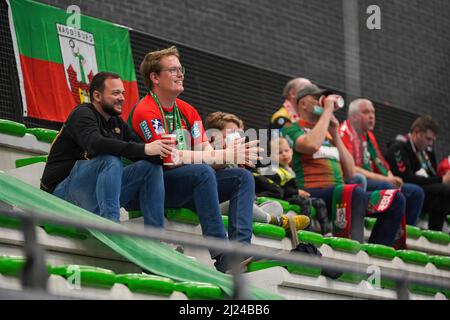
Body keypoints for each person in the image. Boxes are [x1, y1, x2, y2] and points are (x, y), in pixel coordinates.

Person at [129, 46, 260, 272]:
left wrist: (232, 154)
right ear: (154, 78)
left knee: (242, 177)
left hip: (190, 185)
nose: (180, 74)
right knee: (202, 172)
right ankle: (222, 255)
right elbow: (170, 158)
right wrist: (223, 155)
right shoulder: (146, 110)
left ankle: (240, 251)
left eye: (181, 69)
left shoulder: (188, 111)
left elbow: (207, 154)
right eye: (173, 70)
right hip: (154, 188)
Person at [281, 84, 406, 247]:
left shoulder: (328, 132)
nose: (321, 102)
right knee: (354, 192)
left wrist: (335, 134)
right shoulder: (291, 128)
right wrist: (327, 112)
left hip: (342, 195)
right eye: (316, 98)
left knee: (395, 198)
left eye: (323, 100)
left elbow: (350, 171)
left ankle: (377, 252)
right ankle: (353, 249)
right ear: (303, 103)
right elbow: (311, 145)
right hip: (313, 192)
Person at [40, 72, 169, 227]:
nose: (122, 98)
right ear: (97, 96)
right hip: (60, 198)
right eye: (115, 93)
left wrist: (172, 154)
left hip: (92, 196)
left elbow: (144, 152)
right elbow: (95, 144)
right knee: (110, 160)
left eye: (123, 93)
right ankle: (111, 228)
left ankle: (156, 237)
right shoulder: (82, 114)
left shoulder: (117, 123)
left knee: (151, 168)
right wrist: (145, 149)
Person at [204, 111, 310, 232]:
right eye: (231, 134)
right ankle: (278, 221)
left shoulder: (242, 160)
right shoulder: (207, 155)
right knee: (236, 205)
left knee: (276, 206)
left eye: (239, 134)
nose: (237, 138)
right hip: (218, 208)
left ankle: (263, 218)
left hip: (247, 207)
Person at [339, 98, 424, 226]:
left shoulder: (369, 136)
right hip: (354, 180)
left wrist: (391, 177)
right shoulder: (344, 132)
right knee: (389, 190)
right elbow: (351, 169)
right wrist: (384, 179)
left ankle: (405, 232)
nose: (372, 116)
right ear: (354, 117)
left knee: (416, 192)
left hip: (374, 180)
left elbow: (381, 163)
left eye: (373, 112)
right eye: (366, 112)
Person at [385, 115, 450, 231]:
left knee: (444, 192)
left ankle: (436, 232)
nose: (430, 144)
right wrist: (441, 180)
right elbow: (406, 177)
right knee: (442, 190)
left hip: (424, 191)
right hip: (403, 188)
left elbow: (432, 177)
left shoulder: (428, 153)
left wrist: (440, 180)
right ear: (416, 132)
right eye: (428, 139)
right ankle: (409, 231)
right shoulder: (398, 147)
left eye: (432, 140)